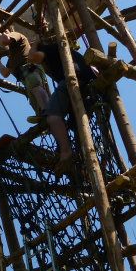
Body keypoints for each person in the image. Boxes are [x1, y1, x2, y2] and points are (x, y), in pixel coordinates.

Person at [26, 36, 97, 171]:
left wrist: (34, 45)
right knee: (76, 124)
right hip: (85, 83)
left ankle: (66, 152)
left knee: (52, 117)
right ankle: (82, 155)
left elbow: (32, 57)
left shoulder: (49, 49)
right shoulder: (61, 52)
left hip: (74, 80)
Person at [0, 30, 50, 123]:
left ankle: (47, 111)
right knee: (33, 99)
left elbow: (5, 40)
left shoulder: (18, 36)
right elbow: (5, 73)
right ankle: (42, 115)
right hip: (25, 78)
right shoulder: (12, 57)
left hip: (30, 70)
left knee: (36, 88)